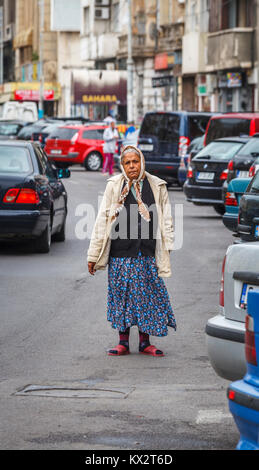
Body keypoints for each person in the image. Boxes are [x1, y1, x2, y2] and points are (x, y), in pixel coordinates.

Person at [87, 145, 176, 357]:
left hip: (146, 252)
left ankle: (145, 342)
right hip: (120, 253)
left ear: (141, 162)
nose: (132, 166)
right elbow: (102, 220)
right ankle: (123, 342)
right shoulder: (114, 186)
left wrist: (168, 247)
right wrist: (93, 255)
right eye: (127, 163)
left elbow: (166, 219)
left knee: (147, 297)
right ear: (122, 166)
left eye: (135, 161)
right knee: (121, 297)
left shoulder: (156, 185)